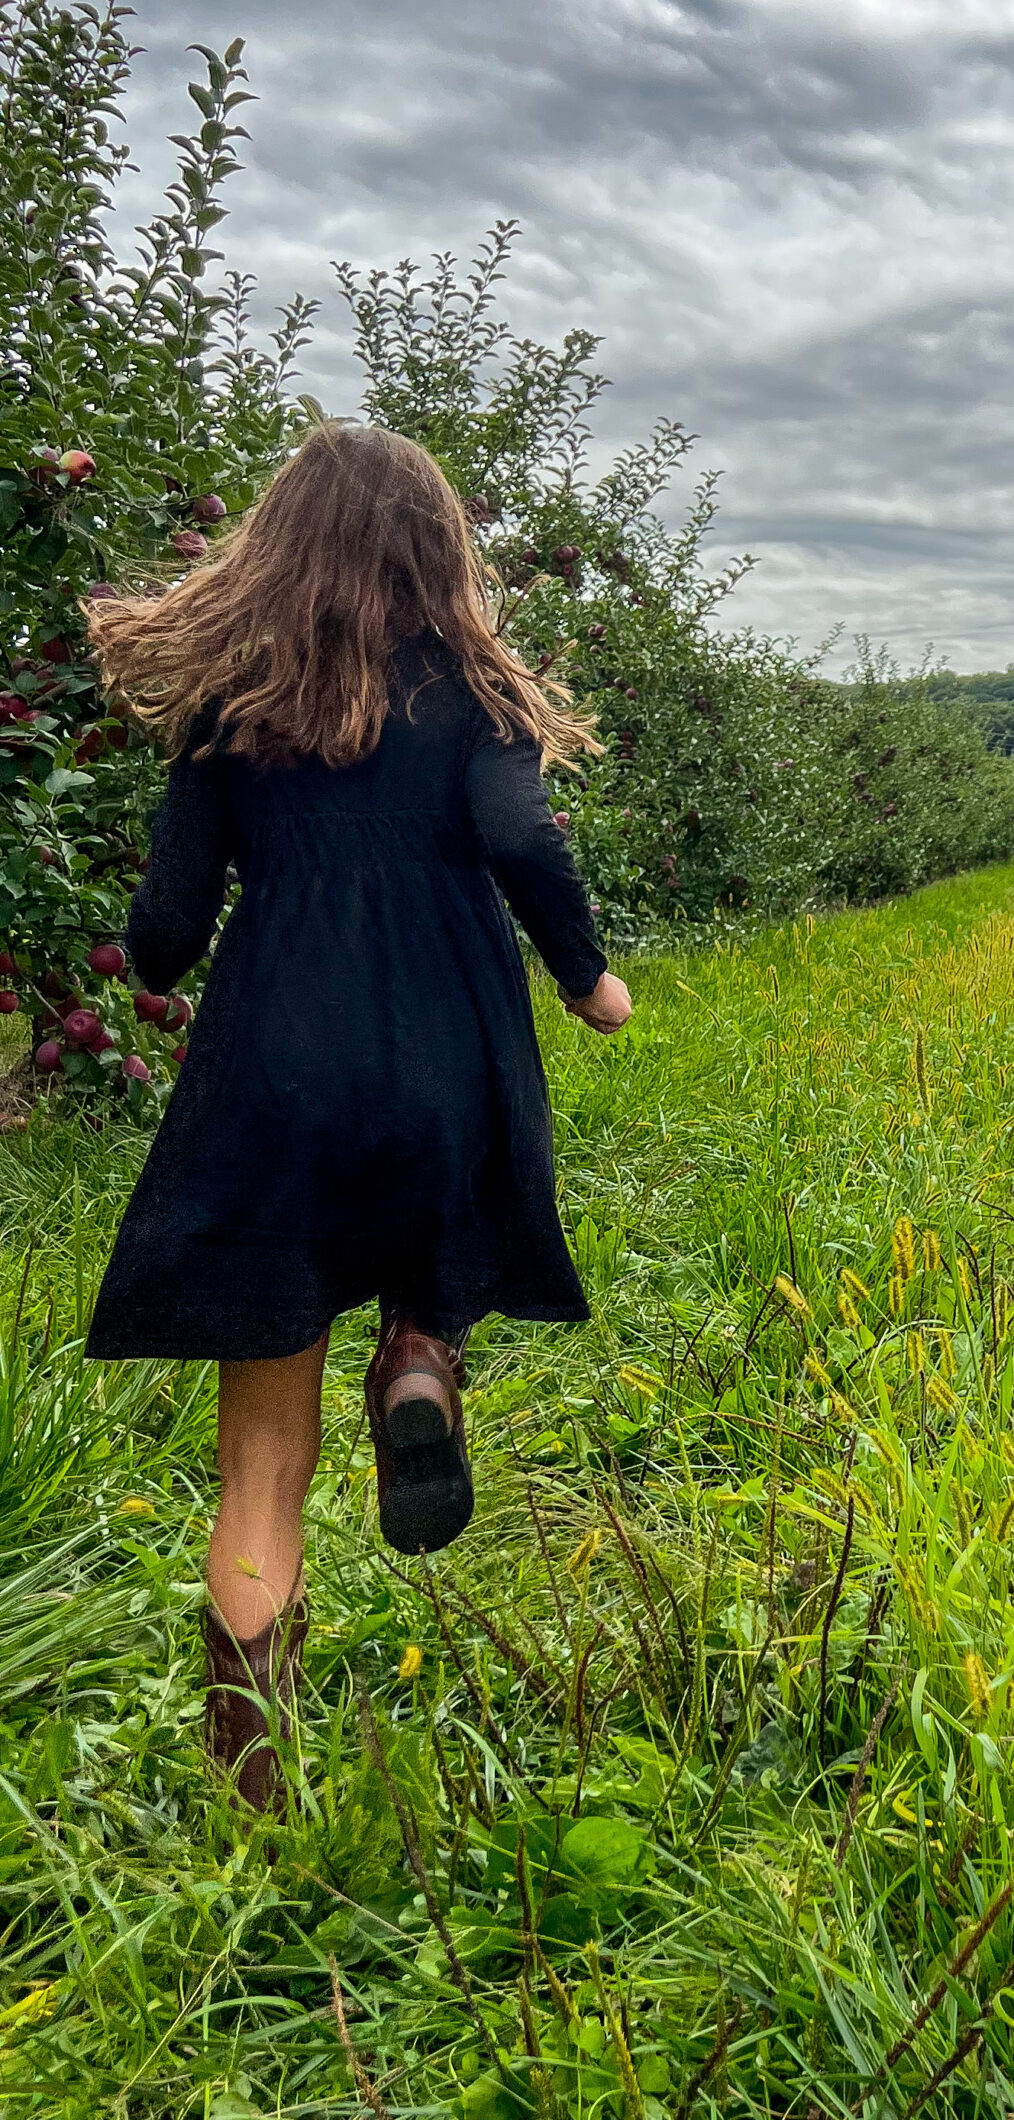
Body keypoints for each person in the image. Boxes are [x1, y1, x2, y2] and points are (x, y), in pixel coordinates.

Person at [82, 421, 632, 1809]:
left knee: (262, 1457)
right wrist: (588, 979)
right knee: (430, 1232)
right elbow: (521, 841)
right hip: (445, 1049)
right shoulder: (474, 691)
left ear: (277, 547)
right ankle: (420, 1360)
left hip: (276, 1063)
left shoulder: (232, 704)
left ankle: (254, 1792)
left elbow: (158, 935)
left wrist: (154, 958)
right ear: (435, 549)